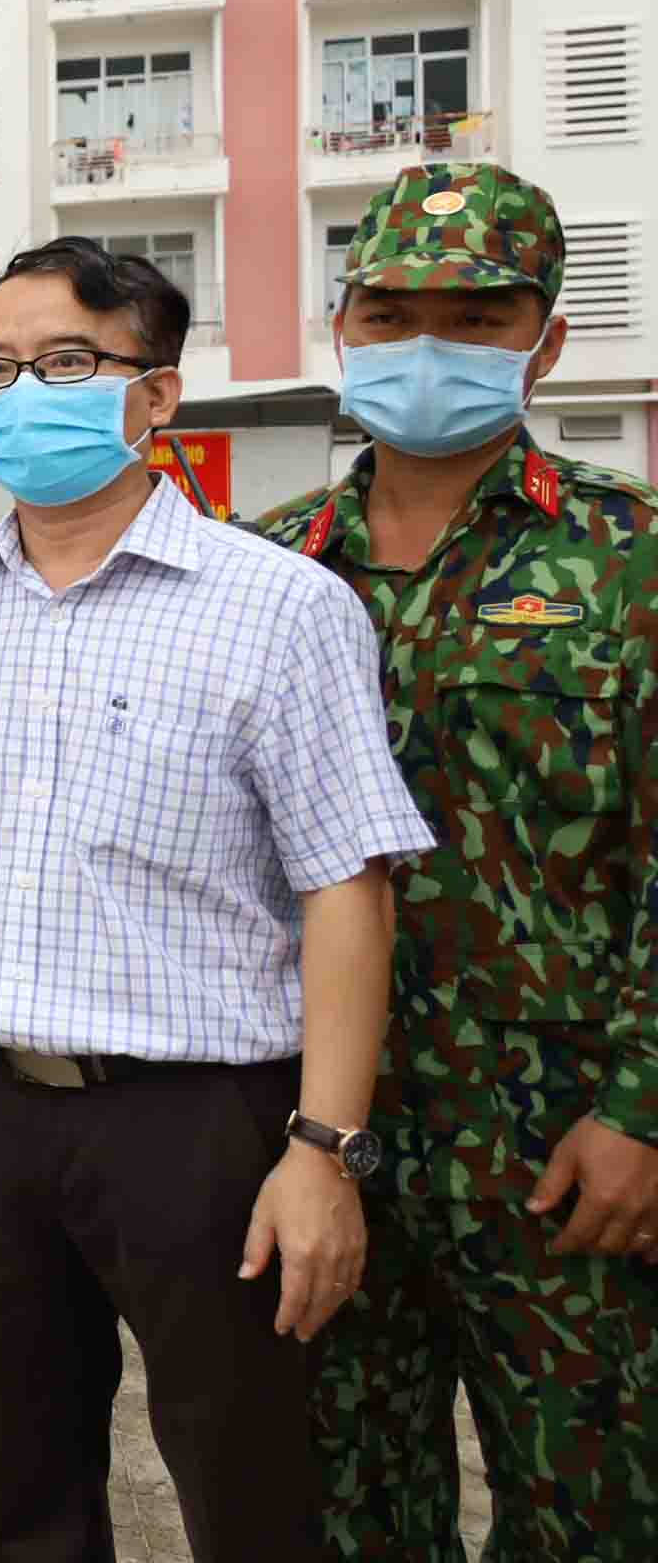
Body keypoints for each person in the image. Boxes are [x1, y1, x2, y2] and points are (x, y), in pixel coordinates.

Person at [0, 237, 427, 1563]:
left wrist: (324, 1152)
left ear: (158, 394)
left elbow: (347, 887)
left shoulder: (282, 608)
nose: (26, 397)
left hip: (201, 1129)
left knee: (249, 1501)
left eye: (68, 363)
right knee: (30, 1498)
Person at [250, 165, 658, 1556]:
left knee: (596, 1510)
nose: (430, 343)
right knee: (344, 1504)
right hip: (321, 1128)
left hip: (560, 1143)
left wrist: (644, 1110)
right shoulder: (265, 565)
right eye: (392, 307)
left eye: (478, 314)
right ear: (343, 323)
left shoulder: (628, 558)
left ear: (547, 339)